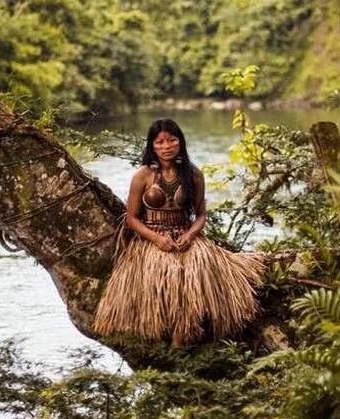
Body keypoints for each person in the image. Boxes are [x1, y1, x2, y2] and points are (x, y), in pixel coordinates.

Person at [94, 118, 266, 346]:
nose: (166, 146)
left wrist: (190, 235)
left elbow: (201, 215)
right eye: (160, 142)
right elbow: (131, 218)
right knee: (167, 277)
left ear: (180, 142)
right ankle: (158, 331)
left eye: (172, 140)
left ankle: (186, 333)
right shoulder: (143, 175)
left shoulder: (193, 174)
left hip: (186, 236)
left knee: (192, 275)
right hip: (151, 241)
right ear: (152, 145)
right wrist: (156, 239)